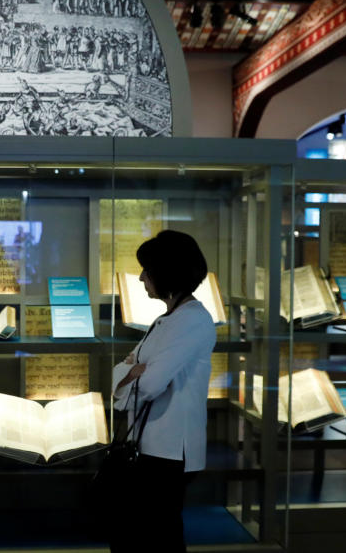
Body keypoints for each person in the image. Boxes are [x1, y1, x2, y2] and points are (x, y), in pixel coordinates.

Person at [109, 230, 216, 553]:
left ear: (167, 272)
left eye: (147, 269)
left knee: (158, 538)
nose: (141, 277)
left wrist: (133, 373)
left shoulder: (192, 321)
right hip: (150, 446)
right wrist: (131, 373)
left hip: (170, 452)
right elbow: (121, 375)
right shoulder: (165, 320)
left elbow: (151, 383)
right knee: (141, 534)